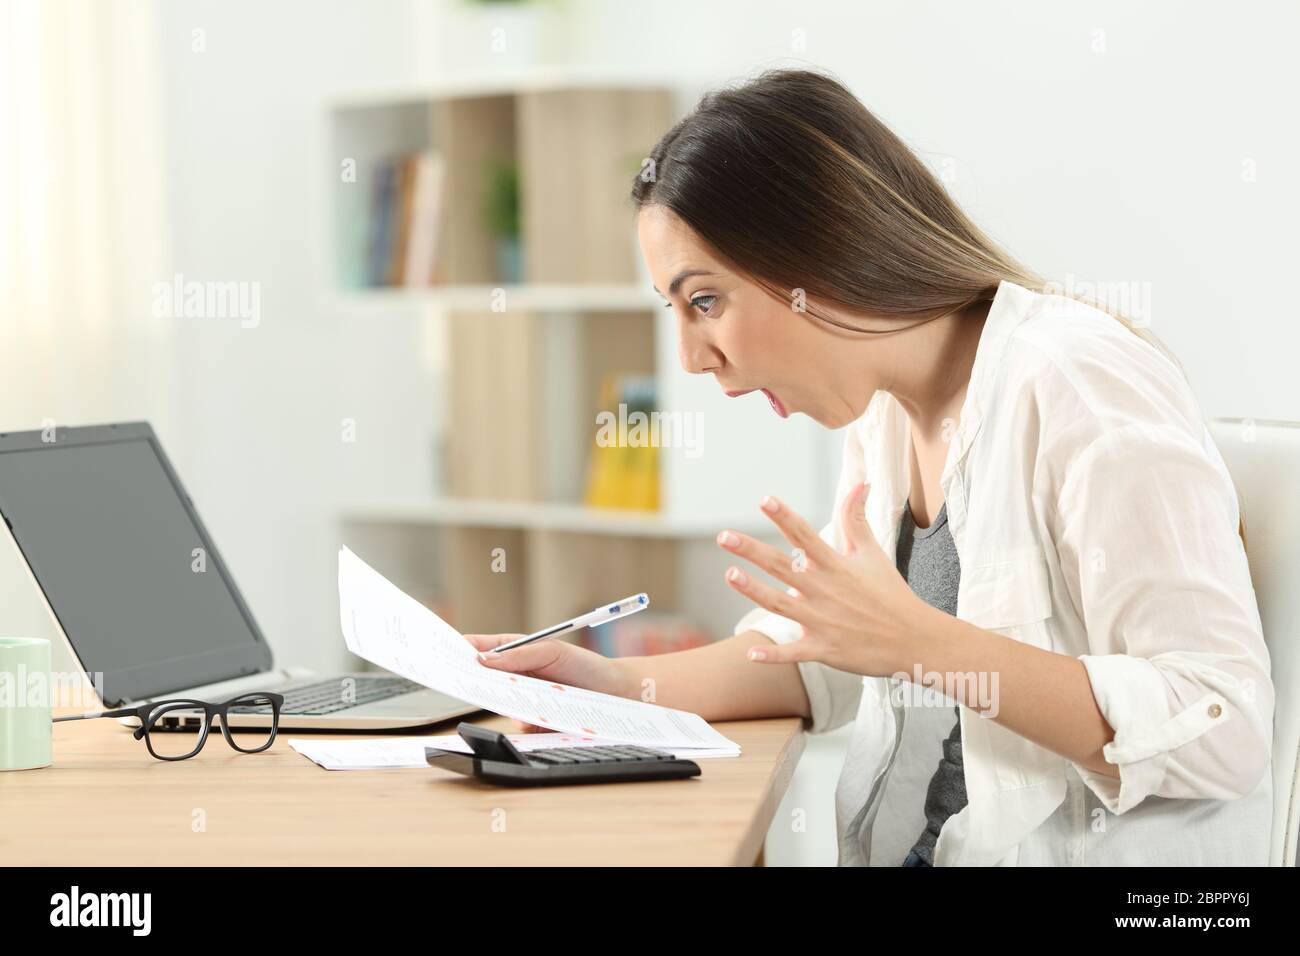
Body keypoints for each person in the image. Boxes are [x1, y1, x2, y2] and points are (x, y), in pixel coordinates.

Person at [466, 69, 1273, 866]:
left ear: (818, 250)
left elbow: (1225, 729)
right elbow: (820, 656)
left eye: (704, 300)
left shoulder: (1075, 381)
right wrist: (604, 682)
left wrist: (924, 644)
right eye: (673, 310)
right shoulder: (886, 408)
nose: (690, 357)